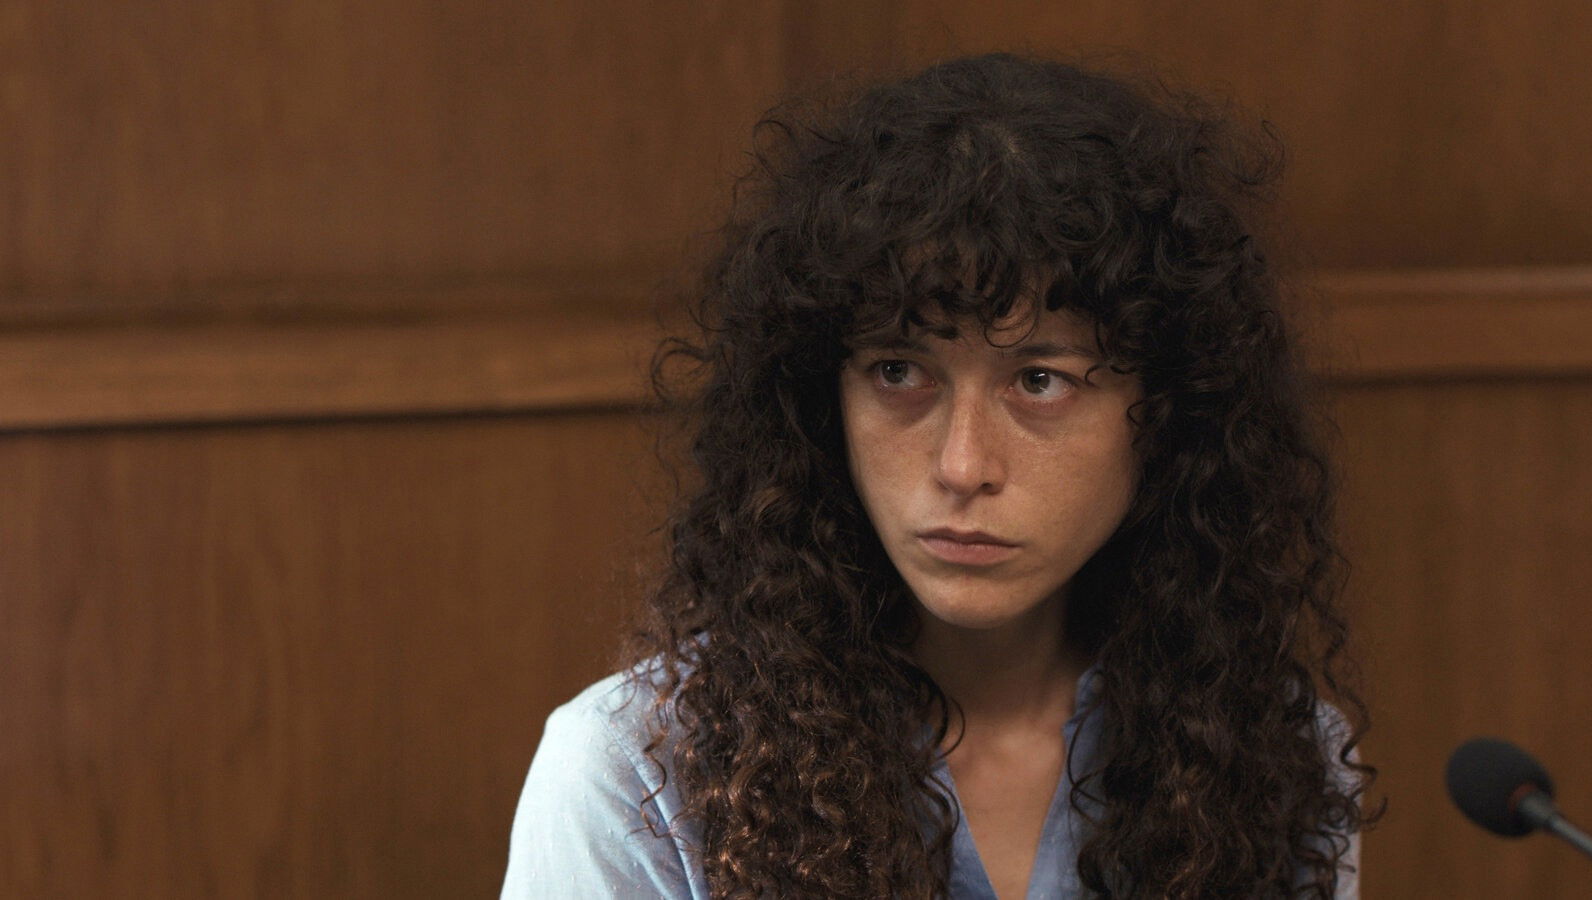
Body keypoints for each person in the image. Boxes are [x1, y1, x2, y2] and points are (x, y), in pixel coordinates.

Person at [502, 52, 1378, 899]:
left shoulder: (1270, 755)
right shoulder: (639, 774)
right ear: (821, 401)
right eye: (899, 372)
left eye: (1041, 381)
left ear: (1170, 417)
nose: (962, 466)